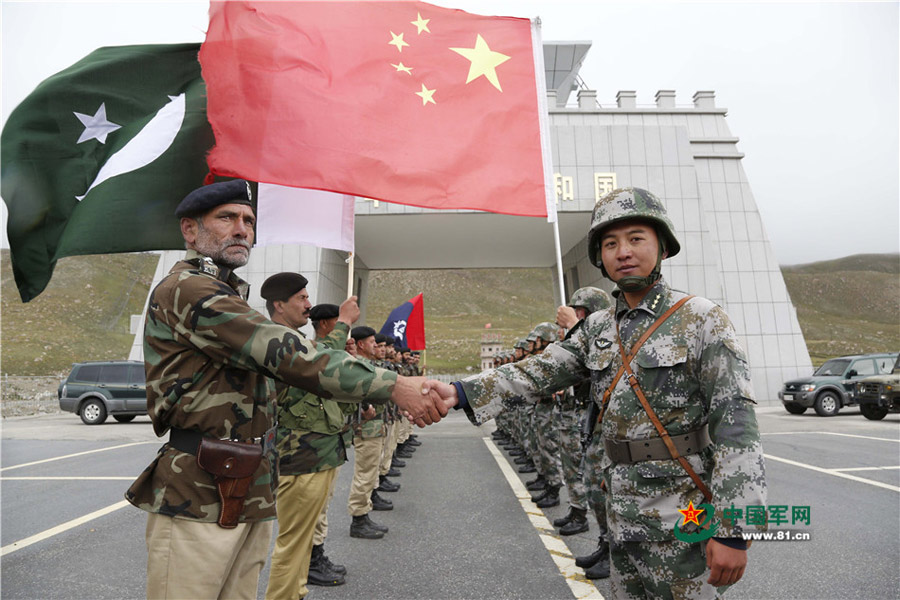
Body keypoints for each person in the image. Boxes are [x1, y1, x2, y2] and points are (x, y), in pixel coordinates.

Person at [427, 187, 767, 599]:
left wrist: (734, 529)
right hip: (621, 515)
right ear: (600, 257)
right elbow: (537, 371)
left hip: (683, 516)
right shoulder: (596, 329)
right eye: (610, 243)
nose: (623, 251)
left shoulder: (701, 319)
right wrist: (459, 392)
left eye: (636, 238)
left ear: (662, 246)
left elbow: (736, 423)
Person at [125, 179, 450, 600]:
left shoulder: (226, 292)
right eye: (226, 218)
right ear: (190, 230)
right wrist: (394, 385)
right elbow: (289, 354)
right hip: (199, 491)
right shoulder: (190, 289)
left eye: (249, 220)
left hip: (247, 484)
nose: (242, 229)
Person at [261, 283, 354, 600]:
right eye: (300, 298)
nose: (308, 305)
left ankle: (296, 592)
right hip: (300, 457)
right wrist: (343, 324)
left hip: (317, 453)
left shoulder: (295, 339)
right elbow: (323, 363)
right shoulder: (273, 338)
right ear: (279, 305)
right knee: (292, 544)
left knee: (301, 543)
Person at [555, 286, 613, 578]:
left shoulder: (609, 334)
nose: (577, 316)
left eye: (582, 313)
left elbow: (599, 363)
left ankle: (614, 550)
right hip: (593, 424)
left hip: (612, 429)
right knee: (593, 486)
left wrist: (576, 328)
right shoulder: (583, 335)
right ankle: (606, 542)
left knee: (604, 490)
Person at [346, 326, 392, 538]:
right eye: (372, 342)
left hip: (376, 425)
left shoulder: (368, 364)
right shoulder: (358, 366)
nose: (376, 346)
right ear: (361, 344)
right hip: (367, 426)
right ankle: (358, 519)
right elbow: (357, 391)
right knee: (364, 474)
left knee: (370, 471)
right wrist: (364, 408)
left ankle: (364, 512)